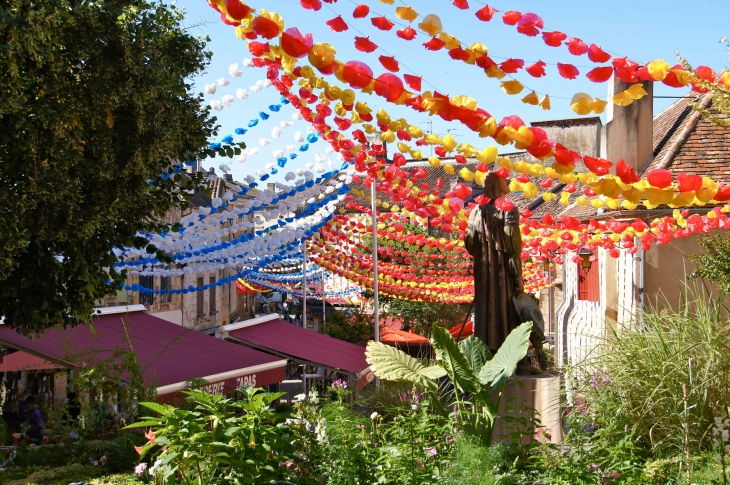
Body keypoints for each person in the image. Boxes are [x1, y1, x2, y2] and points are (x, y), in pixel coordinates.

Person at [465, 173, 541, 375]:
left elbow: (469, 243)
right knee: (510, 312)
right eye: (504, 179)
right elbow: (513, 245)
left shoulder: (475, 211)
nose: (508, 182)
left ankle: (486, 359)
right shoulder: (508, 209)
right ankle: (519, 361)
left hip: (483, 273)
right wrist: (517, 276)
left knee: (486, 313)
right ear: (496, 184)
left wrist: (484, 252)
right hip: (503, 274)